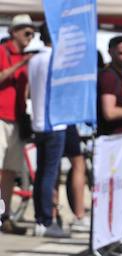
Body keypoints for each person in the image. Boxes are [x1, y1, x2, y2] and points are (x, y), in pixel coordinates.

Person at [27, 21, 69, 238]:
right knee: (48, 174)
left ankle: (40, 219)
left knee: (43, 173)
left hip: (41, 122)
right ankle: (45, 220)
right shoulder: (54, 59)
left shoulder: (34, 59)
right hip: (54, 123)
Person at [0, 14, 35, 235]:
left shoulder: (29, 57)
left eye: (32, 32)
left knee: (11, 171)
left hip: (17, 118)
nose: (30, 36)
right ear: (14, 32)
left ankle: (5, 216)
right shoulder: (3, 51)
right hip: (0, 117)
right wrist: (22, 63)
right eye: (26, 32)